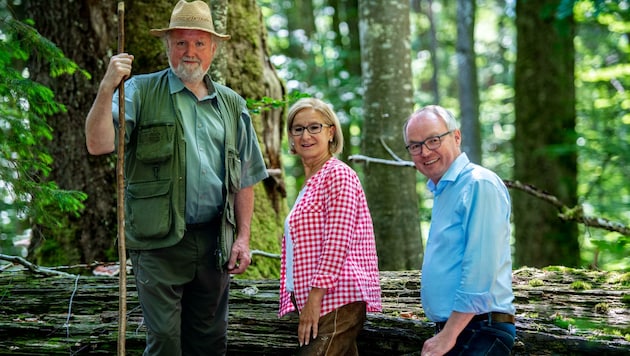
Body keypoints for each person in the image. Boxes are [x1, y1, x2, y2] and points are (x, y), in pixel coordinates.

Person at [84, 1, 268, 355]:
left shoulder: (232, 105)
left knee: (210, 342)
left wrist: (242, 237)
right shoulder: (137, 91)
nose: (190, 52)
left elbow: (245, 177)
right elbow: (98, 144)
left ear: (213, 49)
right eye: (181, 43)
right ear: (167, 46)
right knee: (165, 342)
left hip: (215, 242)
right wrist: (107, 86)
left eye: (199, 43)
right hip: (157, 243)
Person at [403, 105, 516, 356]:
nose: (425, 152)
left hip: (480, 329)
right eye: (415, 146)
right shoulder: (446, 190)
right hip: (465, 328)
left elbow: (480, 269)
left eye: (433, 140)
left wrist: (449, 335)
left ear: (456, 136)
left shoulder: (478, 184)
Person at [278, 98, 382, 355]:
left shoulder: (338, 174)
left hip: (335, 300)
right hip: (320, 301)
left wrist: (314, 300)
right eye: (298, 129)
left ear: (330, 131)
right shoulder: (311, 183)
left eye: (314, 127)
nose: (306, 135)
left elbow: (337, 242)